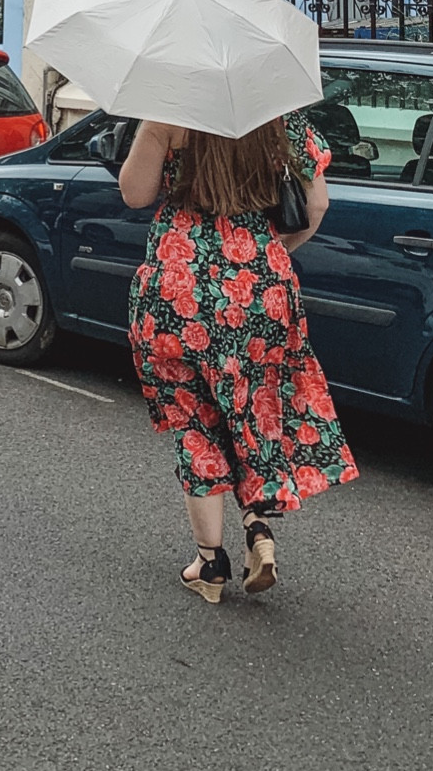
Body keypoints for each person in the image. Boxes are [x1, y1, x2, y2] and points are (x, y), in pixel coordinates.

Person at [119, 108, 356, 604]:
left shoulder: (169, 112)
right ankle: (257, 528)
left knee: (195, 419)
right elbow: (317, 206)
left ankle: (210, 564)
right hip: (259, 285)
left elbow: (135, 194)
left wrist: (155, 125)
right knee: (255, 407)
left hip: (178, 285)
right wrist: (270, 251)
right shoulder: (277, 118)